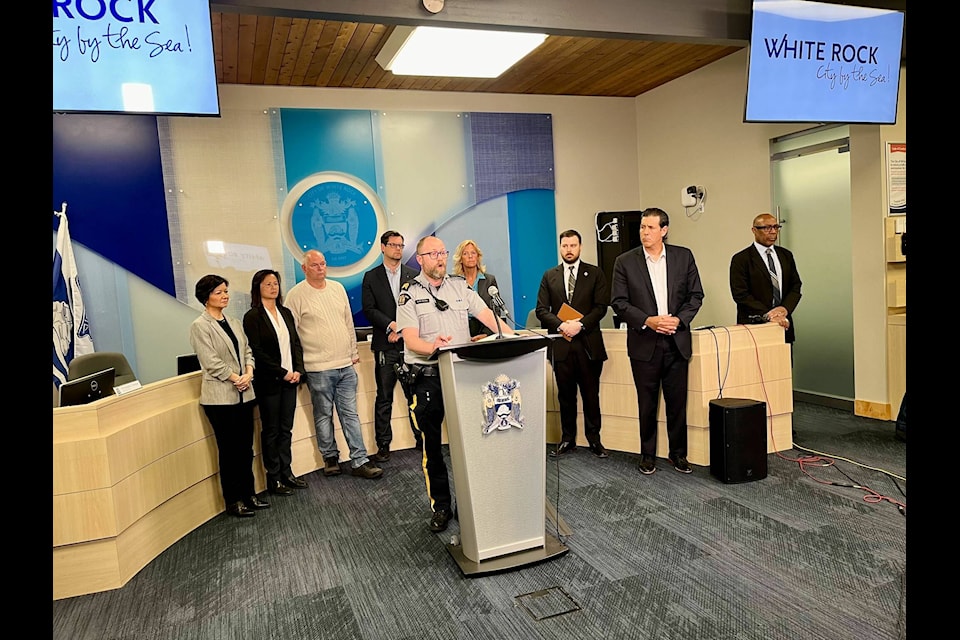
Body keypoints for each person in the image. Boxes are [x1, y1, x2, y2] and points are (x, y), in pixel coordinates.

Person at [396, 235, 514, 532]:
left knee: (474, 442)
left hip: (463, 376)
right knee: (432, 448)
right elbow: (409, 339)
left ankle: (472, 501)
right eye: (433, 253)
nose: (440, 258)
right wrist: (431, 345)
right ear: (420, 259)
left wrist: (512, 335)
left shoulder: (460, 286)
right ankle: (442, 506)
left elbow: (486, 315)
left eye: (443, 252)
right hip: (428, 379)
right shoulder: (408, 294)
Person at [610, 208, 704, 476]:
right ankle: (647, 455)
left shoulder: (683, 256)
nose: (644, 233)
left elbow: (696, 295)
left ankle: (678, 455)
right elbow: (619, 301)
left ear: (664, 230)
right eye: (642, 227)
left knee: (677, 404)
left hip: (676, 341)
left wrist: (680, 320)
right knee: (647, 404)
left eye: (650, 228)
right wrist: (648, 320)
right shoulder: (625, 261)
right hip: (644, 342)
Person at [285, 250, 383, 480]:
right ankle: (330, 457)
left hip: (346, 365)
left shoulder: (337, 289)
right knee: (323, 414)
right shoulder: (296, 296)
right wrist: (299, 366)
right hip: (317, 367)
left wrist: (352, 352)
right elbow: (292, 336)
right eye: (315, 265)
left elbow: (348, 323)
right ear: (305, 268)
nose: (321, 268)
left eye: (323, 264)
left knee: (350, 414)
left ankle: (360, 460)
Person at [189, 274, 269, 518]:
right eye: (219, 292)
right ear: (206, 297)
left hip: (244, 394)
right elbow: (211, 363)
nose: (225, 296)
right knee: (229, 450)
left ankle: (249, 494)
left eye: (226, 291)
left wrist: (249, 372)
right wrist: (237, 378)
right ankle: (234, 500)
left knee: (246, 448)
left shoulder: (233, 322)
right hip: (221, 399)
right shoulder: (200, 326)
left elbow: (247, 351)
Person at [535, 229, 610, 458]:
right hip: (561, 345)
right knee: (565, 396)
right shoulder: (550, 276)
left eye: (573, 245)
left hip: (587, 345)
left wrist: (580, 325)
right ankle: (567, 439)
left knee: (590, 395)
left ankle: (594, 439)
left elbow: (600, 307)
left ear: (580, 247)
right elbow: (541, 310)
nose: (569, 250)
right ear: (560, 247)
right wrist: (561, 325)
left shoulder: (595, 273)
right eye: (565, 246)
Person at [242, 269, 307, 497]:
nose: (273, 287)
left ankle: (287, 472)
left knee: (285, 429)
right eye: (268, 283)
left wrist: (298, 369)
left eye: (276, 283)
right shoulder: (253, 316)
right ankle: (274, 478)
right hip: (270, 381)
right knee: (271, 431)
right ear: (257, 287)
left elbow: (295, 343)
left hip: (291, 380)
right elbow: (257, 352)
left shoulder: (285, 312)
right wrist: (282, 372)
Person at [361, 230, 420, 462]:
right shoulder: (371, 277)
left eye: (401, 245)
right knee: (384, 397)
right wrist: (391, 326)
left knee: (414, 395)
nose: (398, 249)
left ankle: (421, 438)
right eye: (394, 245)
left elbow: (418, 308)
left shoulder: (414, 275)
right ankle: (383, 445)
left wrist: (403, 328)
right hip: (386, 346)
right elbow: (369, 309)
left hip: (410, 345)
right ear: (383, 247)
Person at [729, 213, 803, 344]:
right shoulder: (741, 259)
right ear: (754, 230)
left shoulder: (785, 255)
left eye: (776, 227)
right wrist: (769, 314)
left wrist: (784, 309)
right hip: (754, 325)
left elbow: (795, 286)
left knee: (784, 363)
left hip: (783, 323)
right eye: (767, 228)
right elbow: (740, 294)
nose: (773, 232)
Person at [451, 239, 503, 339]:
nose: (470, 256)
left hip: (485, 328)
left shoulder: (489, 280)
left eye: (473, 253)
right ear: (460, 259)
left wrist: (486, 334)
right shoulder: (454, 282)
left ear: (478, 257)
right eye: (465, 253)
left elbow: (496, 310)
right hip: (461, 331)